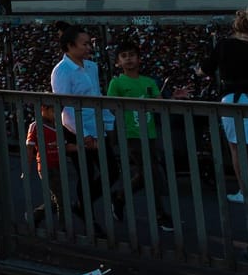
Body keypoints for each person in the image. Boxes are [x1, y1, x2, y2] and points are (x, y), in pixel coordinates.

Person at [50, 23, 124, 230]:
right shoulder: (62, 71)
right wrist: (83, 135)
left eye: (89, 43)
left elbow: (96, 97)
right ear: (70, 46)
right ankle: (88, 217)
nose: (89, 47)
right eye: (84, 44)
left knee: (111, 171)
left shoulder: (91, 66)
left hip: (96, 125)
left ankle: (81, 206)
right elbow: (65, 106)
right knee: (86, 172)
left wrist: (107, 123)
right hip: (76, 129)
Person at [202, 8, 248, 207]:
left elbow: (206, 68)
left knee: (235, 148)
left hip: (229, 100)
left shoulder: (224, 45)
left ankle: (243, 192)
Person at [105, 41, 175, 231]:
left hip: (149, 133)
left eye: (132, 55)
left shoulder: (148, 82)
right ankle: (160, 214)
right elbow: (111, 106)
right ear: (118, 62)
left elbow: (159, 104)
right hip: (131, 135)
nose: (129, 59)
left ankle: (120, 197)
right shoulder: (117, 82)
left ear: (139, 59)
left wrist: (174, 97)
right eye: (124, 56)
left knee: (146, 174)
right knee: (151, 172)